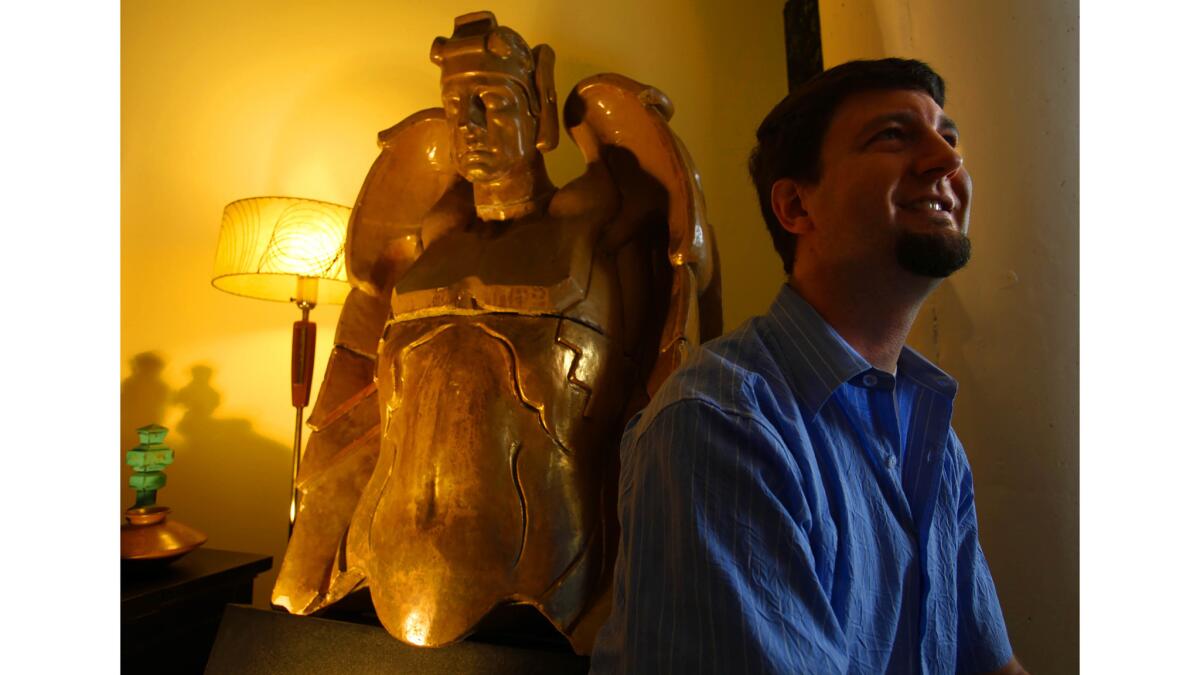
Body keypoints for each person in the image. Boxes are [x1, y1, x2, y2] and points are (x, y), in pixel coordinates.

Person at [590, 59, 1026, 674]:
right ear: (796, 206)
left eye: (948, 138)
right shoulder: (719, 425)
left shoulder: (930, 433)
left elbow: (991, 665)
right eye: (894, 136)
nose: (947, 161)